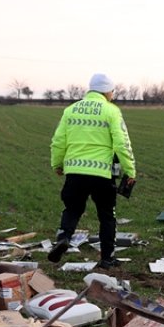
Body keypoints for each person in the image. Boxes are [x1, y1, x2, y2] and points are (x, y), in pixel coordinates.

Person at [48, 73, 135, 269]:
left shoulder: (70, 110)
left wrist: (57, 164)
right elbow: (122, 144)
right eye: (112, 91)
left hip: (75, 172)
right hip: (102, 174)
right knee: (107, 215)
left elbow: (58, 141)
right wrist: (130, 170)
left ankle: (64, 237)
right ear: (107, 91)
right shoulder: (111, 111)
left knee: (72, 208)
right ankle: (107, 258)